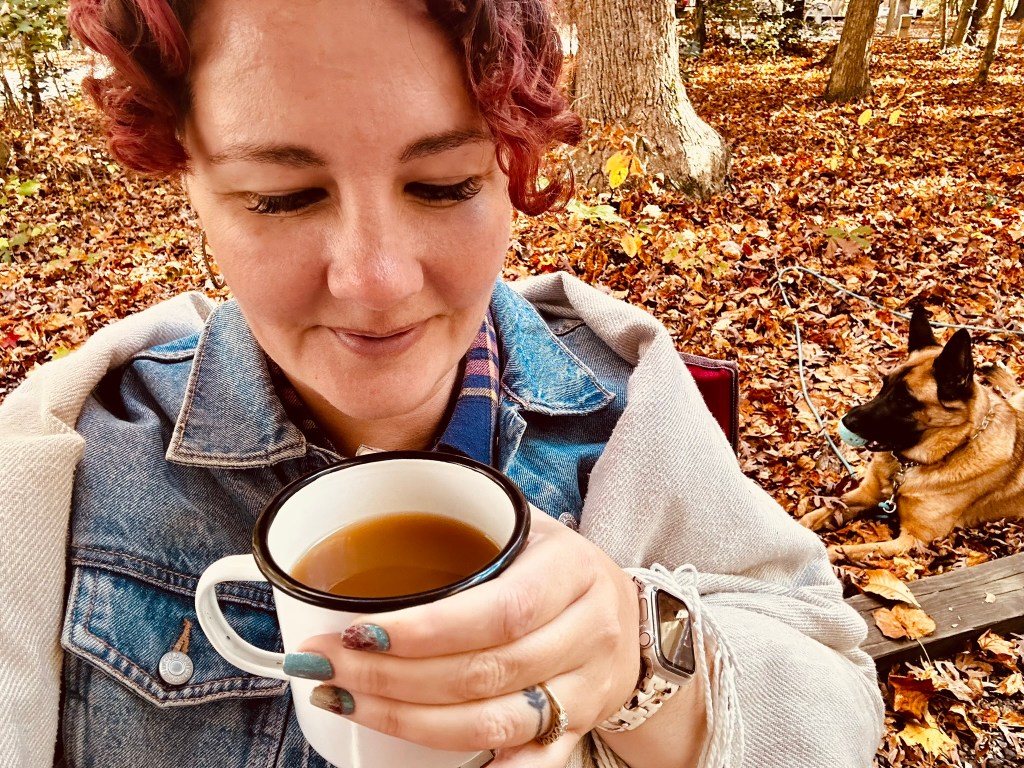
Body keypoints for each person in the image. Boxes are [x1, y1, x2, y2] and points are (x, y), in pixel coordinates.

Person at [0, 0, 884, 766]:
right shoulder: (67, 473)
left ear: (512, 167)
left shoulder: (627, 413)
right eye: (280, 196)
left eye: (443, 184)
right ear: (187, 174)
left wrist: (644, 666)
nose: (375, 279)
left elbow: (833, 701)